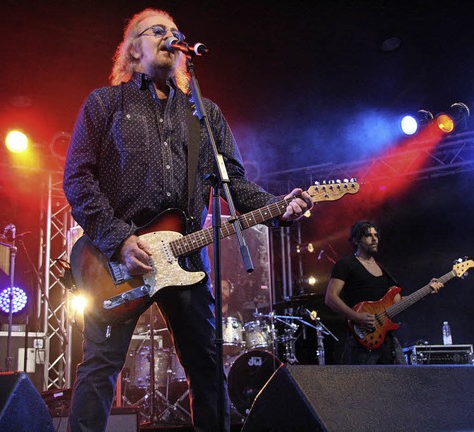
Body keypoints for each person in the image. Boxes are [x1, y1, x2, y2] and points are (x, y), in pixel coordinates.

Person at [63, 8, 312, 432]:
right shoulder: (105, 103)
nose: (170, 36)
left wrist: (277, 206)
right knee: (100, 367)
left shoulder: (204, 115)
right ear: (132, 49)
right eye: (157, 30)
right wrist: (121, 239)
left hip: (187, 259)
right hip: (116, 260)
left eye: (175, 32)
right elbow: (77, 179)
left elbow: (233, 183)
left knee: (207, 366)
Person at [324, 220, 442, 365]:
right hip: (361, 338)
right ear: (356, 240)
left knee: (400, 381)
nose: (374, 239)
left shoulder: (383, 269)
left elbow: (398, 301)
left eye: (376, 235)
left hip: (387, 339)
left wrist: (427, 290)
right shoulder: (346, 264)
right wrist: (356, 317)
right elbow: (330, 298)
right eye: (368, 235)